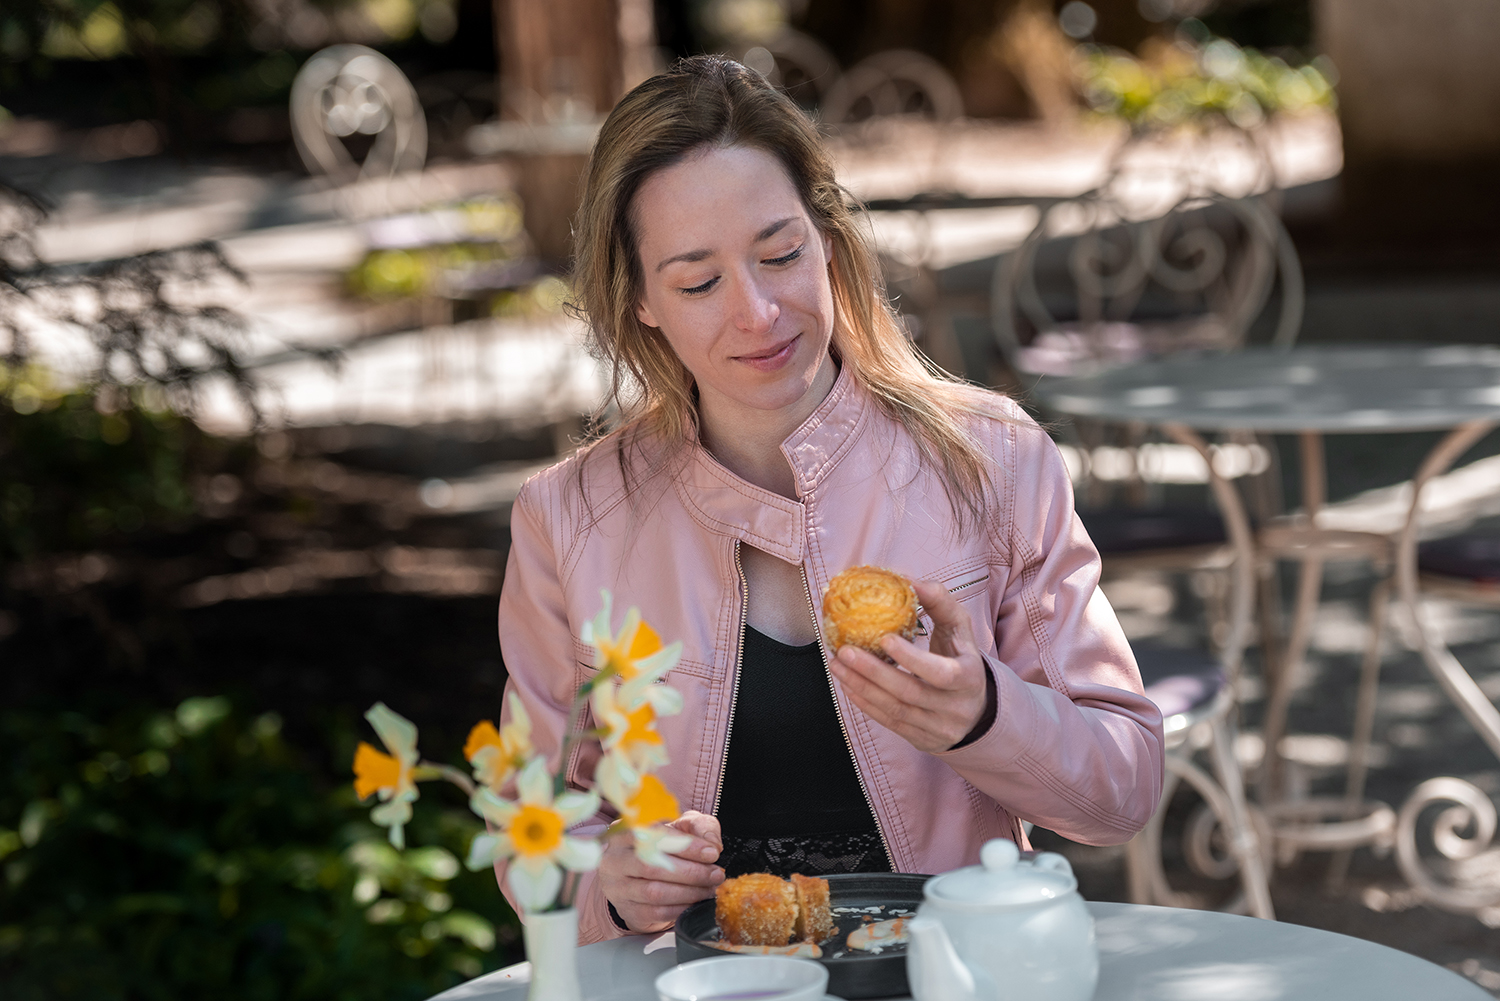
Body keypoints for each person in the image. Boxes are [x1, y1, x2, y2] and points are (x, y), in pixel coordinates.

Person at [497, 55, 1164, 944]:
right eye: (699, 282)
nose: (761, 312)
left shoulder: (993, 461)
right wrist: (608, 887)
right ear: (641, 301)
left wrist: (986, 717)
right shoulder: (568, 519)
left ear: (829, 240)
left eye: (781, 254)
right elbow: (527, 828)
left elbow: (1122, 790)